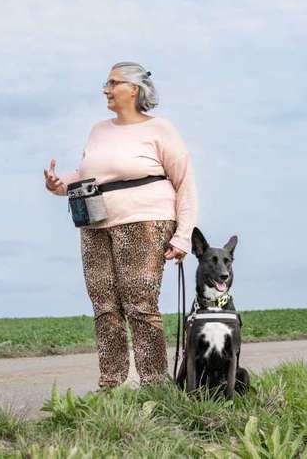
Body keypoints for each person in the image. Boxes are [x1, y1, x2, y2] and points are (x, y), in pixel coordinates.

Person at [43, 62, 197, 388]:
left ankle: (155, 387)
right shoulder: (99, 129)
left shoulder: (161, 130)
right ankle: (111, 386)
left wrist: (183, 235)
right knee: (104, 306)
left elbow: (185, 183)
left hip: (145, 221)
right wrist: (59, 184)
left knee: (140, 304)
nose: (106, 89)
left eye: (113, 83)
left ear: (134, 90)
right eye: (107, 82)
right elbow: (86, 176)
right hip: (95, 222)